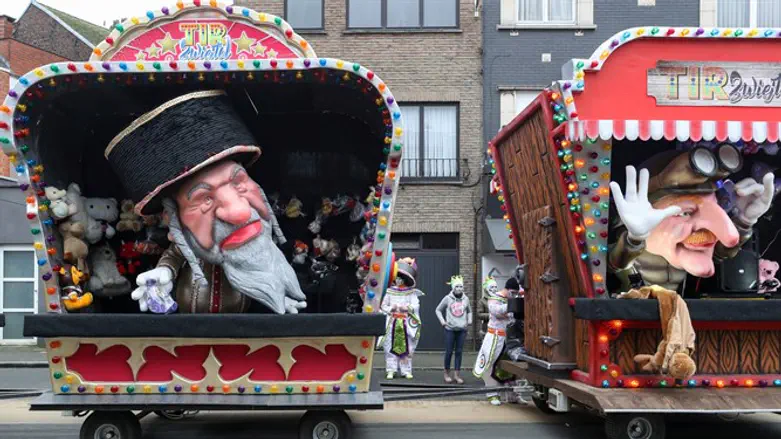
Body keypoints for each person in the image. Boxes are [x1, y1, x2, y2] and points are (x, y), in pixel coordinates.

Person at [103, 90, 306, 314]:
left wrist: (276, 296)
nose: (240, 212)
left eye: (238, 183)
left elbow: (262, 270)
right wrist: (164, 272)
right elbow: (173, 256)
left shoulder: (256, 246)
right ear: (174, 221)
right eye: (205, 200)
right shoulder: (185, 246)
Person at [609, 144, 774, 292]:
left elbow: (720, 253)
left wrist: (744, 221)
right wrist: (634, 239)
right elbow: (613, 264)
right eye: (685, 213)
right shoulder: (628, 249)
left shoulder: (693, 251)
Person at [473, 277, 516, 406]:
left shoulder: (510, 299)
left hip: (508, 338)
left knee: (510, 366)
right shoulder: (494, 298)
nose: (514, 295)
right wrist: (511, 306)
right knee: (490, 364)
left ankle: (512, 395)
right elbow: (496, 311)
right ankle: (492, 394)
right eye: (512, 292)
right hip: (494, 337)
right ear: (507, 289)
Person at [379, 258, 423, 379]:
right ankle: (391, 370)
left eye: (400, 278)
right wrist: (391, 308)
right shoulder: (389, 292)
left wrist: (407, 308)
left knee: (407, 347)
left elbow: (416, 305)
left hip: (405, 324)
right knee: (389, 347)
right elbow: (383, 306)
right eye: (396, 278)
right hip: (392, 323)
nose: (397, 280)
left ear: (404, 280)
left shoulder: (411, 293)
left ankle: (406, 370)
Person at [436, 274, 472, 384]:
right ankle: (446, 373)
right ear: (453, 288)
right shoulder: (447, 298)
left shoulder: (466, 299)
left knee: (459, 352)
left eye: (461, 286)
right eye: (457, 286)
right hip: (450, 329)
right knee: (449, 352)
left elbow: (469, 311)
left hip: (462, 330)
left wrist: (469, 320)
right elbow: (438, 310)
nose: (459, 289)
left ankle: (457, 375)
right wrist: (443, 322)